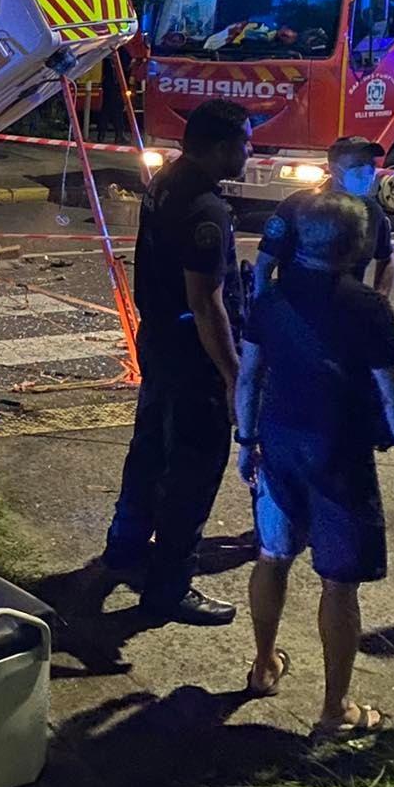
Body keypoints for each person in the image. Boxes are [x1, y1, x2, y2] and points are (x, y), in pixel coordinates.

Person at [236, 192, 394, 739]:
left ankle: (263, 664)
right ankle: (334, 709)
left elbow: (250, 378)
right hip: (340, 456)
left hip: (277, 446)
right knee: (338, 585)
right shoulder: (368, 308)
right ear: (356, 246)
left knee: (272, 556)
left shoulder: (269, 301)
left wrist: (246, 442)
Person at [105, 98, 253, 625]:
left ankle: (122, 550)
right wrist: (232, 374)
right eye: (243, 143)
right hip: (194, 359)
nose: (249, 152)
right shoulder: (206, 209)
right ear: (218, 148)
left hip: (160, 342)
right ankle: (169, 588)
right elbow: (206, 302)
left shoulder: (167, 179)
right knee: (192, 472)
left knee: (148, 450)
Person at [254, 137, 394, 298]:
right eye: (357, 164)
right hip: (297, 313)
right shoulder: (297, 206)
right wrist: (263, 308)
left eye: (371, 164)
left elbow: (387, 259)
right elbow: (264, 264)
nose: (366, 170)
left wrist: (379, 300)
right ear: (334, 169)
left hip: (345, 312)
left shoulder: (372, 212)